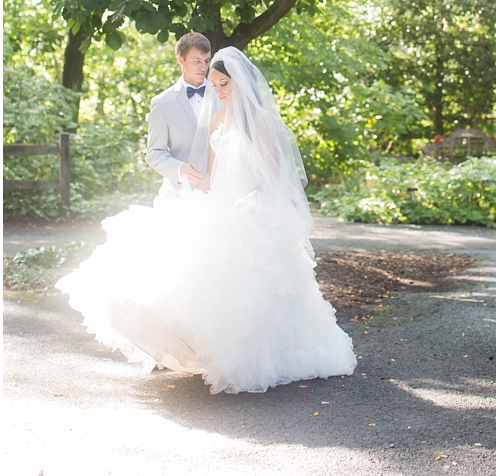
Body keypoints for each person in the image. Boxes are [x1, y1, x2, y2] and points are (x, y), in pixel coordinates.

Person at [57, 46, 356, 394]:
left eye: (225, 84)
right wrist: (201, 196)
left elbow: (272, 174)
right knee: (187, 274)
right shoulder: (215, 120)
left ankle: (253, 357)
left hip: (252, 209)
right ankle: (198, 350)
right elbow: (213, 175)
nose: (220, 92)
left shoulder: (260, 122)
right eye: (215, 86)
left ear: (241, 82)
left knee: (251, 286)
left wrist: (247, 204)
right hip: (221, 205)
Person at [145, 33, 212, 195]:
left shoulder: (223, 95)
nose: (203, 67)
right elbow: (154, 153)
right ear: (180, 60)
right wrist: (180, 169)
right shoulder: (162, 103)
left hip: (223, 190)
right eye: (196, 61)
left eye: (207, 61)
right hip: (181, 193)